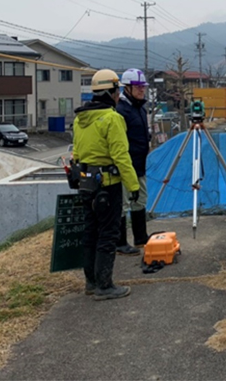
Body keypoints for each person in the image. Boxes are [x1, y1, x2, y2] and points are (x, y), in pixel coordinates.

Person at [72, 69, 140, 300]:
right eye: (117, 91)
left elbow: (76, 154)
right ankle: (104, 285)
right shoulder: (112, 118)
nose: (119, 95)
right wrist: (133, 186)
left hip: (87, 185)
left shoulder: (80, 119)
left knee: (90, 232)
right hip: (108, 185)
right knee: (108, 233)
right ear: (111, 92)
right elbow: (121, 156)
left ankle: (91, 282)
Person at [115, 68, 151, 255]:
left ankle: (140, 237)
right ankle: (120, 242)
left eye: (142, 87)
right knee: (123, 204)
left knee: (140, 200)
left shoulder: (140, 108)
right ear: (127, 88)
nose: (141, 90)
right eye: (137, 87)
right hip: (125, 166)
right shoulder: (120, 110)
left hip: (139, 164)